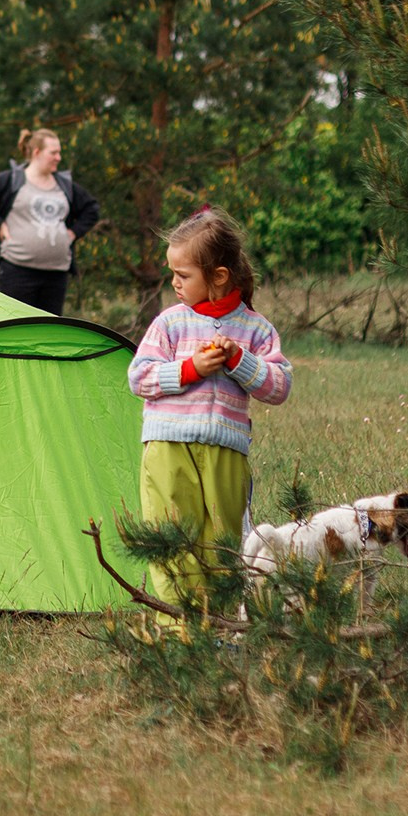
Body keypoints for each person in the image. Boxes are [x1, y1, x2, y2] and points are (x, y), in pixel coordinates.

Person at [125, 206, 292, 610]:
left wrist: (239, 360)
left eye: (183, 275)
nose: (174, 282)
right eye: (173, 273)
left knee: (223, 543)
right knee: (171, 538)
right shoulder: (169, 323)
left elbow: (279, 387)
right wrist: (189, 369)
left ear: (218, 277)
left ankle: (220, 622)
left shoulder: (256, 329)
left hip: (226, 452)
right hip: (167, 448)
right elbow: (139, 377)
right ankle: (180, 623)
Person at [0, 127, 100, 314]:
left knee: (50, 327)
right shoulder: (12, 180)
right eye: (53, 153)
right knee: (14, 325)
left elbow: (92, 209)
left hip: (56, 273)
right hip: (17, 271)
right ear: (37, 152)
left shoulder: (64, 185)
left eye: (59, 153)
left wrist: (74, 233)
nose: (59, 158)